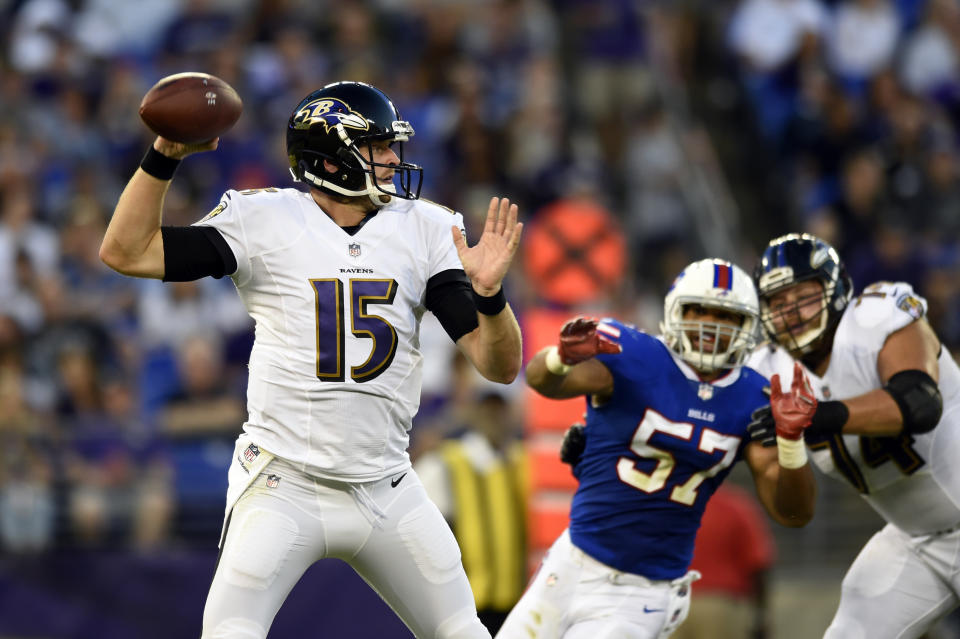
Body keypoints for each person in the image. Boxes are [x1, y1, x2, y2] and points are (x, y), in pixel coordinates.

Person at [99, 80, 524, 639]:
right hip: (285, 481)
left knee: (464, 632)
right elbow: (125, 251)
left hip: (386, 484)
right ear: (334, 159)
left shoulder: (425, 229)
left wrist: (491, 298)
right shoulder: (266, 220)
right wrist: (164, 154)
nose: (394, 158)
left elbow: (499, 366)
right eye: (377, 147)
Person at [497, 258, 818, 639]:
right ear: (674, 311)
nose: (711, 325)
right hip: (572, 560)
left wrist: (792, 444)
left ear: (747, 326)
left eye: (726, 316)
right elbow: (542, 381)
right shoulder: (635, 354)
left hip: (641, 591)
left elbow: (794, 513)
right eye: (699, 310)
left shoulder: (753, 396)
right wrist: (560, 358)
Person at [746, 233, 960, 638]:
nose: (791, 313)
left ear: (835, 289)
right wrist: (789, 449)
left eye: (803, 297)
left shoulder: (874, 317)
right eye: (778, 304)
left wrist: (815, 416)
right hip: (915, 541)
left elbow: (918, 402)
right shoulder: (764, 373)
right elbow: (797, 514)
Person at [414, 388, 528, 635]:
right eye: (487, 409)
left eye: (500, 409)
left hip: (515, 602)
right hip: (465, 603)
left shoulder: (520, 460)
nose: (494, 416)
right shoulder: (447, 462)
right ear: (473, 413)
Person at [671, 482, 775, 639]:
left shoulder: (668, 506)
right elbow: (757, 564)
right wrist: (761, 616)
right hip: (719, 605)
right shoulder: (734, 505)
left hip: (670, 602)